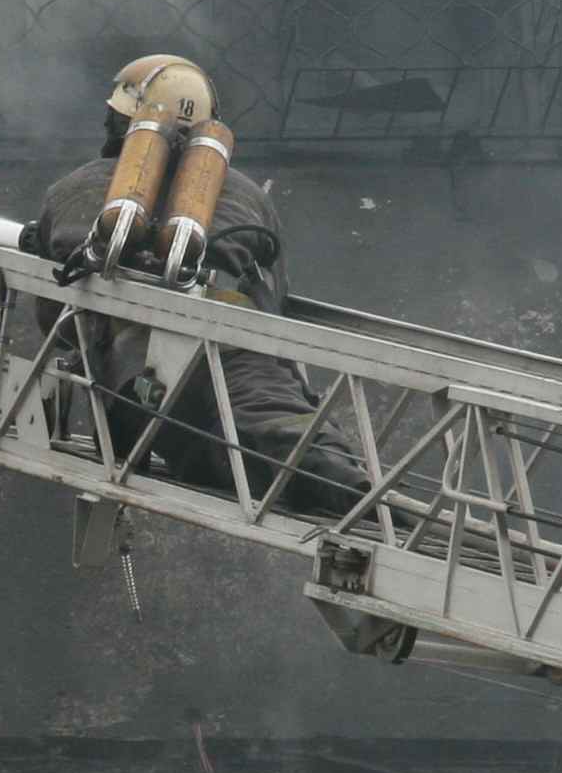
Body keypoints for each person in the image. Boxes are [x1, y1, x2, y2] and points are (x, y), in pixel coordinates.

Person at [21, 54, 376, 519]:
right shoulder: (248, 193)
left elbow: (60, 320)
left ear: (118, 118)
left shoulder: (78, 190)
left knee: (207, 457)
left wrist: (40, 247)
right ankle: (373, 503)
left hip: (145, 375)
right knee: (295, 442)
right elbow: (276, 292)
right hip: (244, 354)